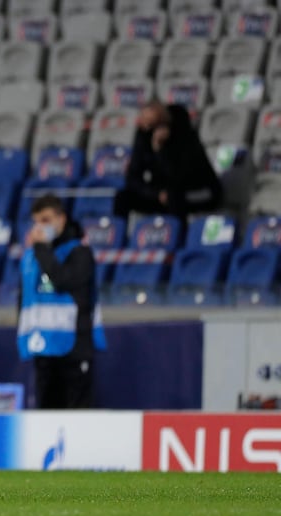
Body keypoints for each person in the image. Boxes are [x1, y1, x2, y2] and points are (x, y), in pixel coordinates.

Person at [18, 194, 107, 409]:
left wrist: (41, 249)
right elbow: (25, 300)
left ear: (61, 219)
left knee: (77, 417)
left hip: (74, 350)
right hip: (44, 349)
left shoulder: (80, 253)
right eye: (37, 221)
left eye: (46, 220)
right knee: (46, 416)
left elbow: (62, 280)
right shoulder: (32, 258)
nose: (40, 227)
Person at [114, 100, 222, 220]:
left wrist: (160, 151)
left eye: (152, 126)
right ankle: (119, 236)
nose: (147, 130)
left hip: (198, 190)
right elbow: (132, 177)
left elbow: (178, 176)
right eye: (146, 126)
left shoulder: (187, 137)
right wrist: (156, 194)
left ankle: (178, 236)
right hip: (163, 194)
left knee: (174, 197)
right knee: (122, 197)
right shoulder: (144, 135)